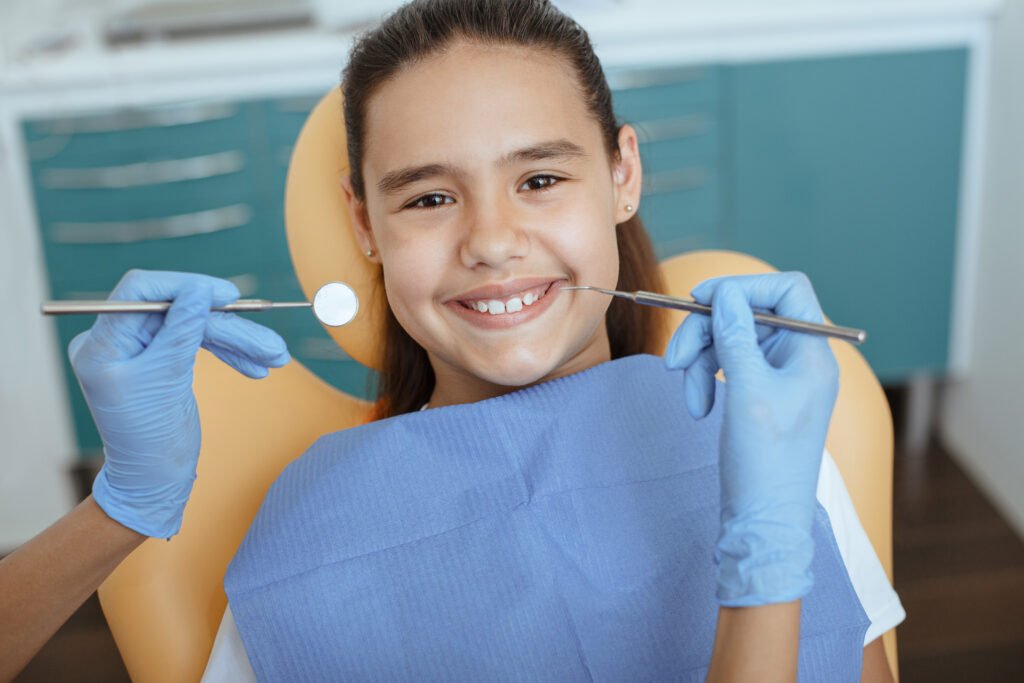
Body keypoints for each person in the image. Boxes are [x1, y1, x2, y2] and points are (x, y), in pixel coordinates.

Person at [0, 0, 903, 680]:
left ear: (622, 174)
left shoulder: (770, 444)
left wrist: (771, 543)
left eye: (541, 177)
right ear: (364, 221)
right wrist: (123, 505)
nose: (491, 241)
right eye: (429, 197)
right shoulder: (305, 534)